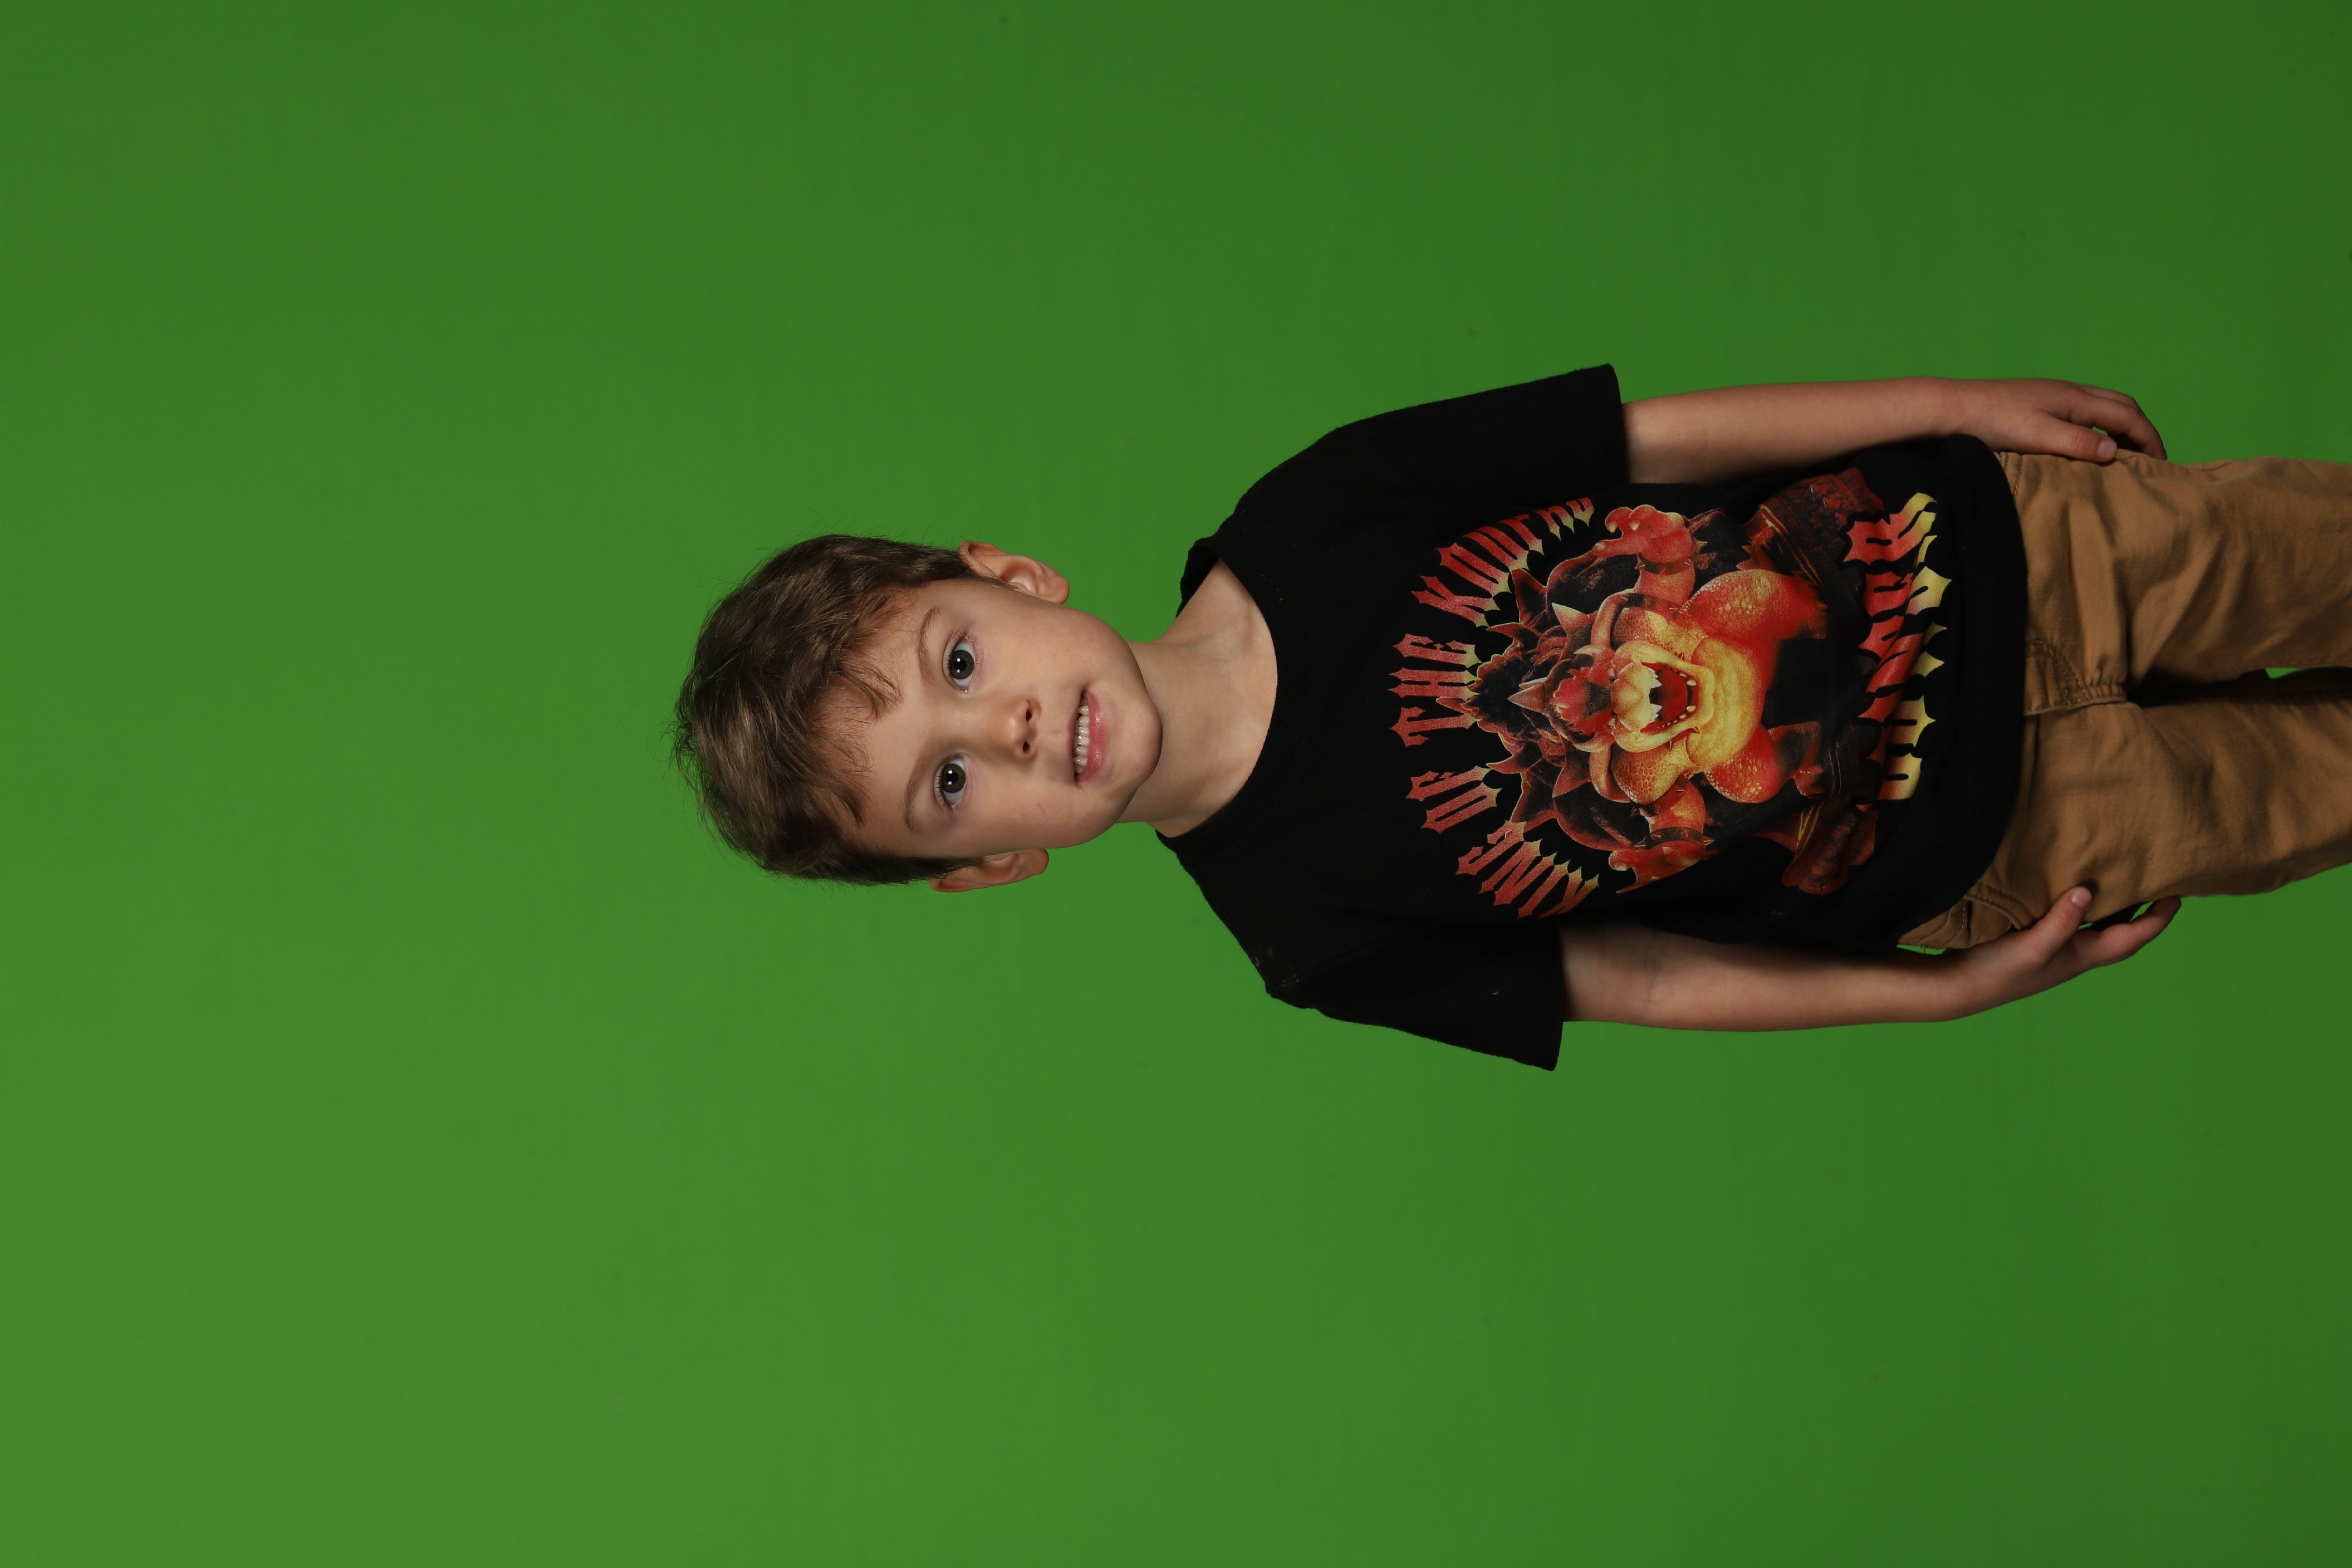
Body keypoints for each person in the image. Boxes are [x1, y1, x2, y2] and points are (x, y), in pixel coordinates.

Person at [673, 370, 2352, 1067]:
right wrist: (1937, 995)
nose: (1014, 735)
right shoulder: (1310, 937)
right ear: (984, 869)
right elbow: (1645, 980)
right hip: (2000, 837)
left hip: (2019, 553)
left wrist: (1952, 399)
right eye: (947, 787)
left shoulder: (1317, 507)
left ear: (1011, 577)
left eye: (964, 668)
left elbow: (1650, 439)